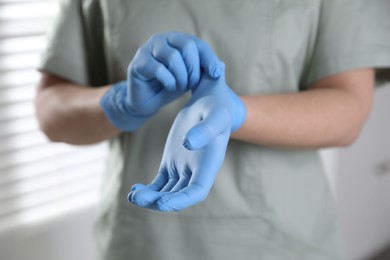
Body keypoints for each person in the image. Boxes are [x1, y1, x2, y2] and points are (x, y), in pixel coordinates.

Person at [35, 0, 390, 259]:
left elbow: (349, 109)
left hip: (281, 242)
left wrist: (237, 113)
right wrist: (121, 103)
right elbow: (50, 109)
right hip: (140, 241)